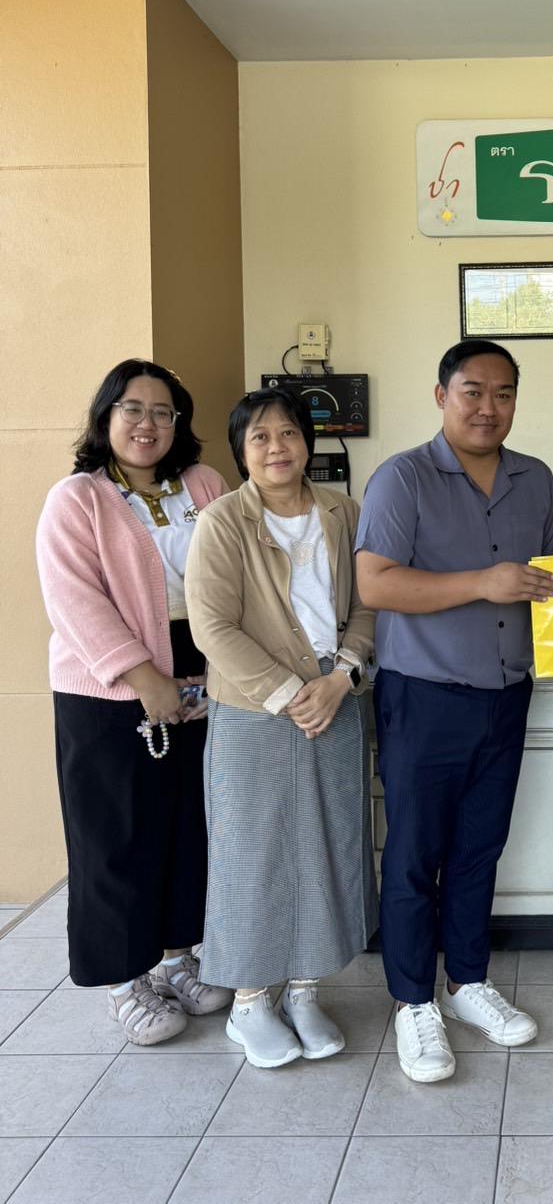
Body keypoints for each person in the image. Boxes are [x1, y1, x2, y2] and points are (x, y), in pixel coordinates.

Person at [355, 339, 553, 1083]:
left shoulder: (535, 478)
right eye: (472, 390)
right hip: (423, 696)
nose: (488, 406)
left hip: (508, 694)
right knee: (415, 854)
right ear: (441, 395)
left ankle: (468, 981)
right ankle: (413, 1000)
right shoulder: (401, 478)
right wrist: (482, 582)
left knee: (480, 847)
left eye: (503, 393)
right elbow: (376, 585)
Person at [35, 359, 233, 1044]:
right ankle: (125, 978)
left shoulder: (204, 484)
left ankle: (178, 956)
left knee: (186, 826)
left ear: (179, 422)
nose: (148, 424)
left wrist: (220, 670)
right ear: (106, 417)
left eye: (162, 412)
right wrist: (144, 678)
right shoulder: (78, 498)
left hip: (203, 674)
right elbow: (74, 599)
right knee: (114, 835)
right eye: (133, 409)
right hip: (107, 687)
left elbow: (236, 571)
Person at [184, 386, 376, 1069]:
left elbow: (368, 604)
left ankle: (304, 989)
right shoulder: (222, 521)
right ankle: (248, 1002)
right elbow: (212, 626)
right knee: (252, 852)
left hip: (337, 697)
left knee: (329, 845)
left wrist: (342, 676)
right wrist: (293, 692)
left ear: (308, 441)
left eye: (288, 432)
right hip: (255, 708)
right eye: (260, 436)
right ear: (241, 450)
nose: (276, 447)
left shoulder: (343, 512)